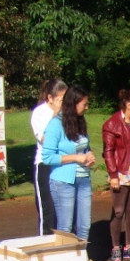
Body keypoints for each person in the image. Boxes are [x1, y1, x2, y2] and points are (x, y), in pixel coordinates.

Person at [42, 86, 96, 241]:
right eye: (84, 104)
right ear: (73, 104)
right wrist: (74, 158)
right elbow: (48, 157)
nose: (87, 107)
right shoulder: (55, 125)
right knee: (65, 226)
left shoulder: (80, 122)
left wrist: (89, 154)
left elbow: (84, 146)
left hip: (83, 179)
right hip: (63, 181)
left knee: (84, 225)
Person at [104, 89, 130, 261]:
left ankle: (129, 245)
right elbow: (108, 151)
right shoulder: (112, 124)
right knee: (118, 211)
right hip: (121, 173)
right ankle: (115, 247)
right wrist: (113, 175)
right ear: (128, 105)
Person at [31, 78, 68, 235]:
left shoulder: (69, 113)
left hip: (65, 164)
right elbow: (46, 141)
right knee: (48, 211)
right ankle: (46, 247)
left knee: (66, 210)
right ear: (50, 98)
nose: (65, 103)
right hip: (45, 165)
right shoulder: (40, 113)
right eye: (61, 99)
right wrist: (56, 115)